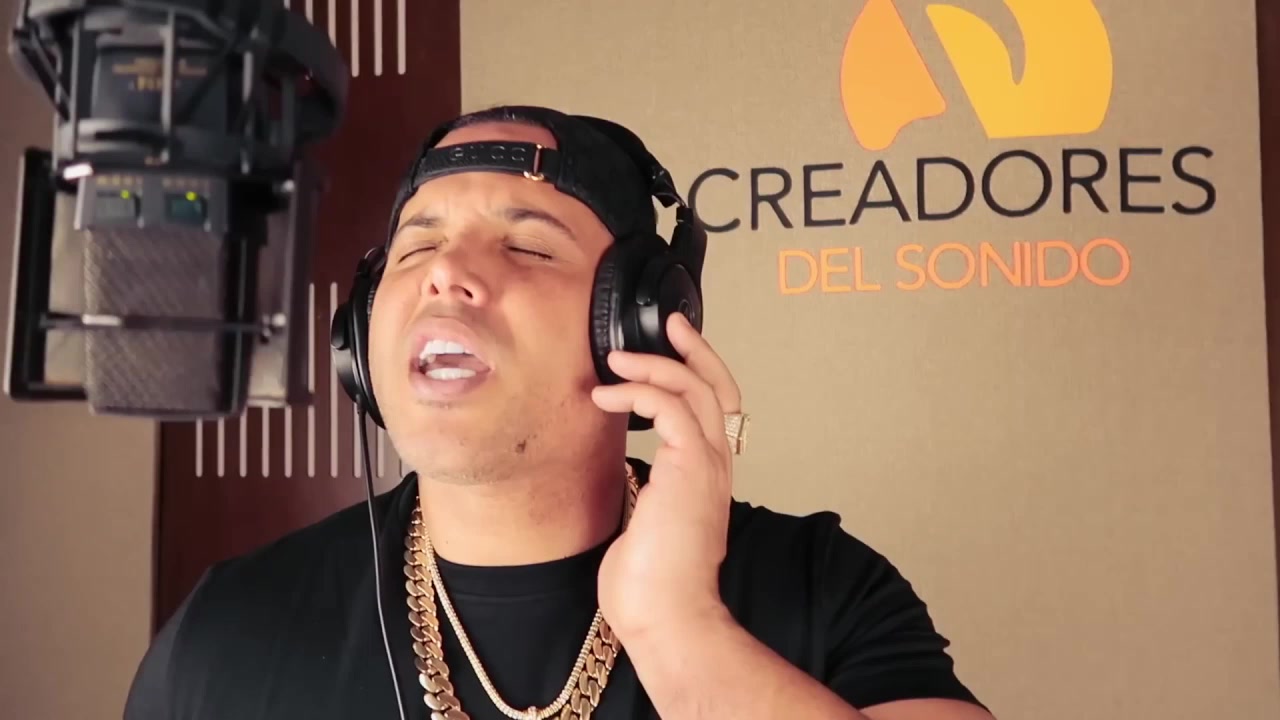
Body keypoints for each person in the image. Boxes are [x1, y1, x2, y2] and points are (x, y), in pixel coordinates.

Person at [123, 105, 995, 720]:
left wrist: (677, 625)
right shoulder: (227, 629)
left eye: (528, 245)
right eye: (417, 245)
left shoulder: (825, 591)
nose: (444, 273)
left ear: (639, 324)